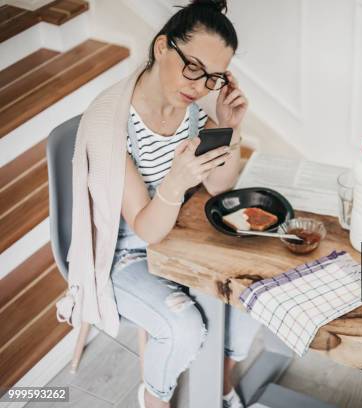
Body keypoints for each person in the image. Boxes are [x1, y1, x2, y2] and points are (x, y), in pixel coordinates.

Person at [66, 0, 259, 407]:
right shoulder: (111, 123)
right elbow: (145, 228)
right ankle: (153, 399)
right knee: (185, 327)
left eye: (212, 77)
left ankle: (222, 387)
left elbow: (220, 185)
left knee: (250, 293)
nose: (199, 84)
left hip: (177, 237)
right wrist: (176, 181)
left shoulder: (192, 109)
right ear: (161, 47)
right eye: (192, 67)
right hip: (121, 255)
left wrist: (228, 127)